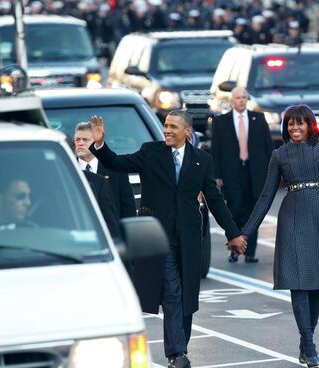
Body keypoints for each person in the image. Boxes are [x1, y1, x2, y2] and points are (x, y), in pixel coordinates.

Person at [89, 110, 247, 368]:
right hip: (160, 237)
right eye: (165, 126)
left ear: (187, 132)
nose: (167, 130)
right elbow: (118, 163)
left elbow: (215, 201)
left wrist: (233, 234)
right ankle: (178, 353)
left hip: (188, 238)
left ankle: (179, 351)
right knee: (172, 291)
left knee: (186, 296)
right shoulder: (150, 152)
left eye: (173, 126)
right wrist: (99, 145)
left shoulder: (201, 160)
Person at [238, 101, 319, 368]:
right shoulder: (279, 155)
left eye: (299, 122)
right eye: (290, 123)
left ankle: (306, 341)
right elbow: (266, 195)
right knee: (298, 282)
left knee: (318, 283)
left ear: (309, 125)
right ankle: (309, 344)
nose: (295, 127)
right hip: (292, 216)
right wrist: (246, 232)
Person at [211, 86, 273, 263]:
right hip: (232, 173)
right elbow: (216, 151)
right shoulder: (221, 121)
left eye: (244, 98)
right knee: (234, 211)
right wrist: (217, 175)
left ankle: (250, 252)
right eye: (237, 97)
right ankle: (235, 249)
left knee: (254, 212)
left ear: (247, 100)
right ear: (232, 100)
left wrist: (271, 172)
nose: (241, 101)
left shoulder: (258, 119)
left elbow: (268, 148)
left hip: (255, 172)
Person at [74, 122, 136, 219]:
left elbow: (128, 209)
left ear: (96, 142)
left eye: (85, 140)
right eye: (77, 140)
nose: (80, 143)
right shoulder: (66, 169)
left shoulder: (115, 170)